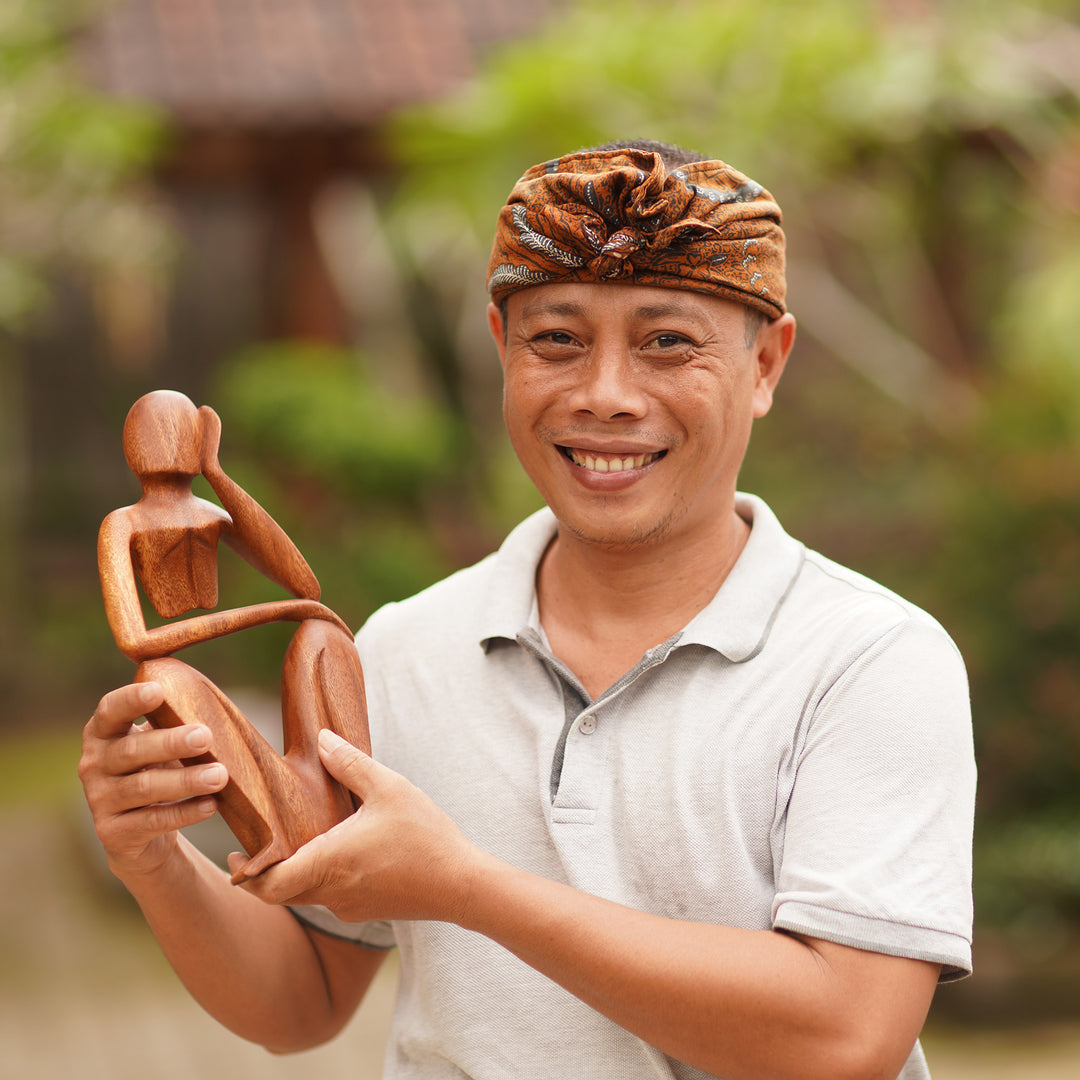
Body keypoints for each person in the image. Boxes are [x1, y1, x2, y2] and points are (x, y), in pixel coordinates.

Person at [79, 141, 975, 1080]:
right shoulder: (405, 648)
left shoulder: (868, 660)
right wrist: (154, 859)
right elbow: (301, 1001)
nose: (606, 395)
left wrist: (467, 888)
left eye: (668, 342)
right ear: (502, 346)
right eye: (557, 340)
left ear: (766, 365)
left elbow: (846, 1036)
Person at [96, 389, 369, 882]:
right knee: (160, 677)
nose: (167, 444)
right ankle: (273, 828)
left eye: (178, 431)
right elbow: (135, 641)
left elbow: (303, 584)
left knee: (321, 634)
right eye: (156, 434)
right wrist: (270, 612)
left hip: (329, 770)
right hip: (171, 668)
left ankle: (352, 799)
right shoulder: (124, 523)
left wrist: (218, 476)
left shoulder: (210, 512)